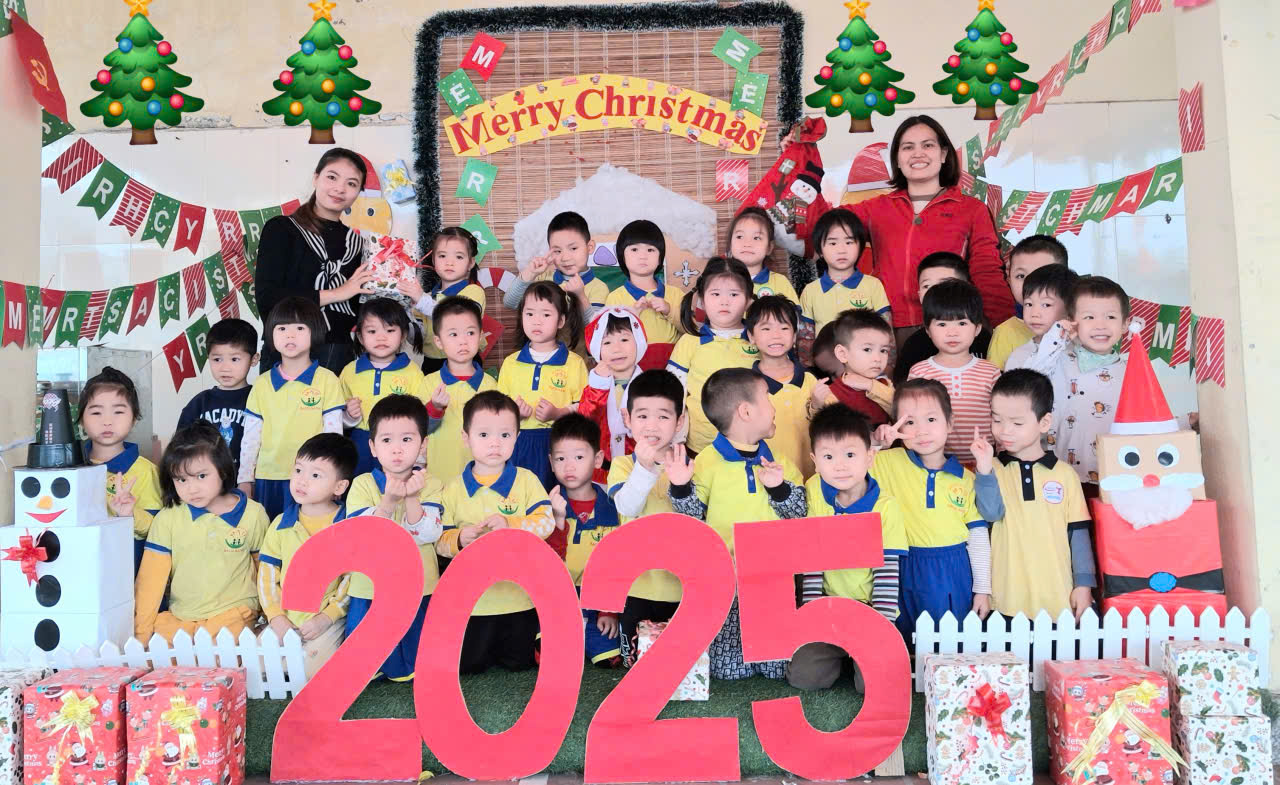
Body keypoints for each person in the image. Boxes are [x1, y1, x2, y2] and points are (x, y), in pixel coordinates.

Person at [667, 367, 805, 680]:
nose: (773, 408)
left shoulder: (779, 461)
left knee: (777, 668)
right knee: (727, 670)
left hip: (773, 577)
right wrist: (680, 487)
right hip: (726, 576)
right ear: (746, 411)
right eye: (767, 398)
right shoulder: (706, 462)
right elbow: (691, 518)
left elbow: (799, 513)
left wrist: (779, 489)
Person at [841, 115, 1015, 341]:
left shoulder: (972, 210)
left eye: (928, 145)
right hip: (886, 330)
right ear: (897, 159)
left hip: (950, 329)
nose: (918, 153)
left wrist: (1005, 330)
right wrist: (803, 162)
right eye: (908, 147)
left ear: (943, 154)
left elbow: (987, 273)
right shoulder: (876, 208)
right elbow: (824, 223)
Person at [787, 405, 907, 690]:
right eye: (829, 457)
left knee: (873, 685)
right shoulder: (814, 489)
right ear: (815, 461)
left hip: (868, 609)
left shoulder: (885, 507)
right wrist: (813, 616)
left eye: (850, 455)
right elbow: (812, 561)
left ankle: (858, 658)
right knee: (804, 679)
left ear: (870, 457)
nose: (840, 466)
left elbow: (888, 571)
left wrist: (881, 626)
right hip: (827, 607)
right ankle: (837, 655)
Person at [436, 391, 555, 674]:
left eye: (505, 435)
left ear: (517, 437)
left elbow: (546, 522)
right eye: (484, 435)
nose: (495, 443)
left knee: (521, 664)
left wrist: (512, 525)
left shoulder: (527, 480)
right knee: (468, 665)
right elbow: (438, 540)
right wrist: (459, 539)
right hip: (472, 603)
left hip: (519, 599)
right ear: (466, 438)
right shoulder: (452, 489)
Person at [971, 369, 1096, 622]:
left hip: (1059, 598)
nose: (1004, 431)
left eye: (1017, 423)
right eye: (997, 420)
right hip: (1005, 599)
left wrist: (1084, 585)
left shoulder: (1065, 474)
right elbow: (991, 514)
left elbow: (1078, 535)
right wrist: (984, 470)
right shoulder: (989, 469)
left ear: (1044, 423)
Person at [871, 380, 985, 644]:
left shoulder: (966, 479)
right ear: (897, 426)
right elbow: (850, 469)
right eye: (909, 422)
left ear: (950, 423)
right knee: (902, 643)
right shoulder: (886, 462)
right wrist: (878, 443)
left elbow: (978, 537)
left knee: (950, 644)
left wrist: (982, 589)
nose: (921, 430)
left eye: (931, 419)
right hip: (901, 564)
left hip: (952, 570)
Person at [135, 422, 269, 642]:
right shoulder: (167, 519)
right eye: (181, 479)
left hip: (235, 616)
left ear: (222, 470)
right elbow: (150, 583)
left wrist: (270, 618)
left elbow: (265, 572)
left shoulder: (253, 514)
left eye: (201, 476)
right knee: (163, 646)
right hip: (181, 620)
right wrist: (141, 636)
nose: (192, 488)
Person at [345, 395, 444, 682]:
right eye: (387, 440)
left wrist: (412, 497)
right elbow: (365, 537)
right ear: (373, 447)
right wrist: (388, 502)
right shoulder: (363, 484)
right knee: (365, 660)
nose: (397, 449)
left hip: (418, 583)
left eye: (407, 439)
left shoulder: (431, 484)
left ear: (423, 445)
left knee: (418, 657)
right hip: (370, 587)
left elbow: (429, 534)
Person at [255, 148, 373, 373]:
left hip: (338, 351)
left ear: (358, 193)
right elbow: (268, 298)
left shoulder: (357, 244)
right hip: (286, 349)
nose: (340, 188)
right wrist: (338, 293)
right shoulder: (282, 229)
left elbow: (360, 307)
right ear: (316, 178)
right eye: (332, 177)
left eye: (351, 183)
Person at [604, 370, 688, 666]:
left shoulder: (690, 465)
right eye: (642, 416)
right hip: (636, 585)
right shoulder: (623, 465)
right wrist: (644, 466)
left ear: (679, 421)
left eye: (663, 416)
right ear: (627, 418)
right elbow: (628, 506)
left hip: (681, 585)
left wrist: (682, 482)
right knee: (634, 663)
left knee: (682, 664)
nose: (652, 425)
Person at [258, 433, 358, 678]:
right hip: (284, 618)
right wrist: (276, 617)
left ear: (339, 487)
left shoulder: (347, 526)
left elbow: (352, 579)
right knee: (258, 668)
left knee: (311, 674)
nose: (302, 481)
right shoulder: (280, 524)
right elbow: (267, 577)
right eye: (298, 470)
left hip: (326, 621)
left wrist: (327, 617)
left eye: (315, 475)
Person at [238, 297, 346, 520]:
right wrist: (245, 479)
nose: (290, 335)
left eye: (299, 328)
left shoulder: (328, 380)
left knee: (310, 534)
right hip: (269, 477)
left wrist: (333, 477)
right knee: (271, 535)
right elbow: (250, 437)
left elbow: (334, 437)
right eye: (282, 328)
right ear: (271, 334)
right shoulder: (262, 384)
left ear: (315, 332)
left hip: (315, 478)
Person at [1040, 276, 1133, 490]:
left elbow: (1149, 420)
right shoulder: (1057, 360)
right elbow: (1027, 376)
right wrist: (1057, 336)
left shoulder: (1132, 371)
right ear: (1072, 321)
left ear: (1125, 324)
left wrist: (1187, 422)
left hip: (1116, 480)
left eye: (1110, 317)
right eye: (1089, 317)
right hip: (1060, 477)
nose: (1100, 325)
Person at [547, 414, 622, 667]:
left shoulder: (613, 508)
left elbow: (615, 566)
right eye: (561, 459)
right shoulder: (545, 505)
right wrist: (558, 520)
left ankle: (585, 634)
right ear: (551, 462)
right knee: (545, 652)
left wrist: (608, 611)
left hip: (596, 598)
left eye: (579, 457)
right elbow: (546, 562)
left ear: (598, 459)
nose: (569, 466)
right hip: (558, 599)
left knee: (608, 655)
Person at [498, 281, 588, 489]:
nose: (536, 321)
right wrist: (514, 414)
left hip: (561, 444)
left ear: (561, 321)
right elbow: (500, 411)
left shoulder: (574, 363)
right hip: (519, 444)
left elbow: (585, 407)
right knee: (520, 497)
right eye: (529, 314)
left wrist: (558, 413)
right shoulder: (511, 363)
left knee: (558, 498)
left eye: (546, 314)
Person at [667, 257, 757, 453]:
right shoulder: (690, 342)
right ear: (702, 300)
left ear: (748, 301)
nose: (724, 301)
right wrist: (675, 440)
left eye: (734, 294)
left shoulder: (759, 340)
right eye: (715, 294)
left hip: (751, 445)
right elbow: (673, 392)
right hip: (699, 448)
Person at [907, 279, 1001, 465]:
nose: (952, 332)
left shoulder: (991, 372)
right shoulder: (919, 372)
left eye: (962, 323)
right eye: (942, 324)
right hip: (934, 466)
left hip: (983, 464)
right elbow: (910, 419)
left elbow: (1001, 418)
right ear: (928, 330)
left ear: (977, 329)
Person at [80, 367, 162, 568]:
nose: (107, 421)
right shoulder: (72, 466)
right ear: (81, 419)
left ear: (134, 418)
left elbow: (156, 528)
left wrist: (129, 514)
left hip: (125, 570)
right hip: (81, 564)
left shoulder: (145, 471)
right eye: (96, 412)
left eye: (118, 412)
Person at [339, 297, 426, 476]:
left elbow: (421, 416)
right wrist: (348, 416)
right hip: (360, 443)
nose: (381, 337)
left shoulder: (413, 372)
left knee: (396, 487)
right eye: (372, 331)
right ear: (360, 337)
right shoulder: (349, 371)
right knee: (359, 487)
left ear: (403, 335)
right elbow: (336, 417)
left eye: (390, 330)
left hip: (399, 444)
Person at [421, 297, 499, 481]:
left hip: (482, 478)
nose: (463, 341)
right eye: (453, 334)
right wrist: (435, 407)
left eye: (470, 333)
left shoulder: (490, 386)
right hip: (439, 478)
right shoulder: (428, 383)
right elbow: (419, 428)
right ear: (439, 341)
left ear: (480, 336)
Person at [1004, 264, 1080, 444]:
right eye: (1029, 304)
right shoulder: (1019, 356)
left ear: (1070, 309)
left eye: (1046, 304)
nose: (1034, 313)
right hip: (1037, 448)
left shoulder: (1080, 351)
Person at [176, 318, 259, 477]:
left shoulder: (259, 399)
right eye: (217, 359)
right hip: (205, 483)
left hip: (248, 484)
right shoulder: (199, 403)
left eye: (234, 359)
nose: (225, 368)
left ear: (254, 359)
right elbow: (181, 448)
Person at [747, 295, 818, 478]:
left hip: (813, 475)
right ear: (751, 336)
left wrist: (817, 405)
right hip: (771, 478)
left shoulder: (810, 380)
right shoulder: (747, 386)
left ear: (794, 336)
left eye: (784, 328)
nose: (776, 335)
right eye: (766, 328)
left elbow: (829, 425)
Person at [894, 253, 993, 383]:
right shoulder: (914, 344)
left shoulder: (983, 339)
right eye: (927, 286)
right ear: (919, 295)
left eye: (945, 284)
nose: (935, 292)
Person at [401, 226, 486, 375]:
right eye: (442, 256)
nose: (449, 262)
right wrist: (406, 315)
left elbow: (457, 319)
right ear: (433, 260)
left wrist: (421, 300)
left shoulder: (474, 291)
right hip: (431, 364)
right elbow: (416, 339)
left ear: (471, 263)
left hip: (465, 362)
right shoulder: (426, 297)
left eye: (459, 257)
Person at [603, 220, 684, 371]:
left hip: (673, 367)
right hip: (632, 369)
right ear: (622, 256)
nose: (643, 256)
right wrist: (632, 314)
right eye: (634, 249)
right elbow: (609, 338)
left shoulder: (675, 294)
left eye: (650, 250)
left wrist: (669, 310)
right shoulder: (615, 298)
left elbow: (690, 329)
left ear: (660, 257)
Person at [577, 308, 646, 479]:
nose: (617, 348)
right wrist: (598, 387)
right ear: (597, 349)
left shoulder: (649, 385)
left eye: (624, 339)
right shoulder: (595, 384)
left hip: (638, 468)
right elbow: (585, 420)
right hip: (600, 472)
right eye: (607, 342)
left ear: (639, 342)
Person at [504, 211, 608, 321]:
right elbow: (510, 303)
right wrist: (530, 273)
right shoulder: (543, 278)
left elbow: (596, 328)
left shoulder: (599, 288)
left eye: (573, 248)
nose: (565, 258)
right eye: (557, 251)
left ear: (590, 247)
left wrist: (580, 296)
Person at [799, 210, 890, 335]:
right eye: (833, 243)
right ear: (820, 250)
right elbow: (805, 339)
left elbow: (886, 333)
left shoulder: (873, 285)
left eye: (849, 242)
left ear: (860, 246)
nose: (841, 250)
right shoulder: (810, 291)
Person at [987, 235, 1069, 369]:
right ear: (1009, 280)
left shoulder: (1080, 327)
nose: (1029, 283)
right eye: (1021, 276)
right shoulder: (1004, 333)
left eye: (1041, 275)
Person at [812, 309, 895, 426]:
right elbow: (827, 428)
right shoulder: (832, 394)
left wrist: (871, 386)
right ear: (842, 354)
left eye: (883, 350)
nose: (878, 358)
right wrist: (816, 406)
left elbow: (899, 410)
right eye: (867, 349)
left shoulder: (884, 384)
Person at [726, 207, 799, 303]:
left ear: (769, 247)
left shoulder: (780, 282)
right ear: (730, 244)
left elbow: (793, 312)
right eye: (740, 236)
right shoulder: (721, 280)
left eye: (756, 238)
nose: (747, 243)